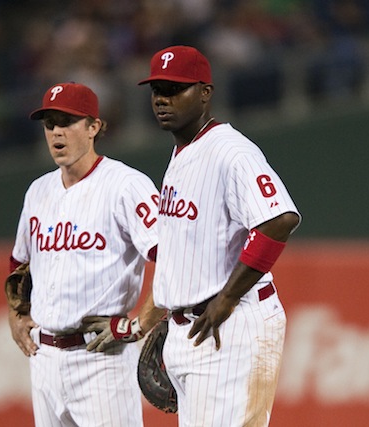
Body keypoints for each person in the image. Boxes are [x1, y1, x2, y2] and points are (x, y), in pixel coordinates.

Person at [138, 45, 301, 426]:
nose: (163, 99)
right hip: (192, 325)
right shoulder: (182, 153)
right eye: (157, 90)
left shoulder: (230, 151)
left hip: (231, 324)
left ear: (205, 93)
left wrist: (227, 297)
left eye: (175, 89)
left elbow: (278, 220)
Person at [7, 82, 166, 426]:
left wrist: (140, 325)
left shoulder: (126, 185)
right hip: (45, 358)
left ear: (94, 127)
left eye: (67, 122)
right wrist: (17, 313)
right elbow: (20, 262)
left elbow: (171, 258)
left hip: (101, 357)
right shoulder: (38, 191)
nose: (56, 133)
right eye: (50, 124)